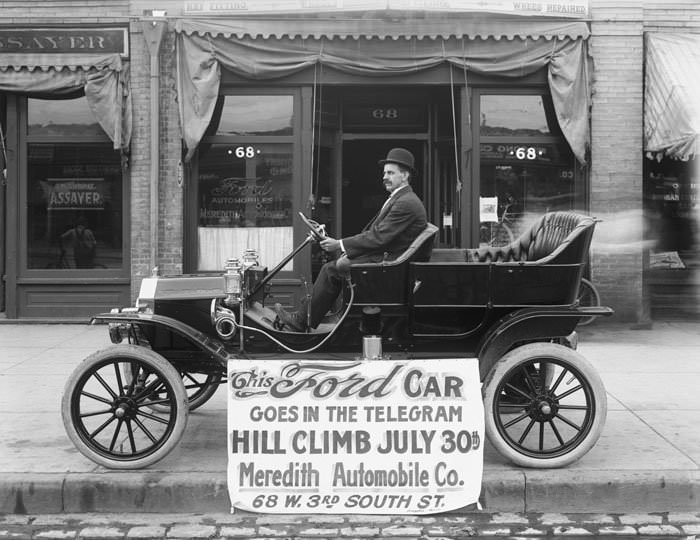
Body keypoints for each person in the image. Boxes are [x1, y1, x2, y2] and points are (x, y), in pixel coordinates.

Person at [274, 147, 427, 332]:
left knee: (331, 269)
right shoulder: (401, 198)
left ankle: (301, 321)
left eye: (390, 173)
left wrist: (339, 244)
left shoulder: (406, 202)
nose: (384, 177)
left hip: (387, 265)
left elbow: (379, 237)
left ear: (405, 175)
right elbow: (378, 234)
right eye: (384, 172)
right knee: (335, 266)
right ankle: (307, 316)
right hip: (386, 260)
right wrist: (344, 247)